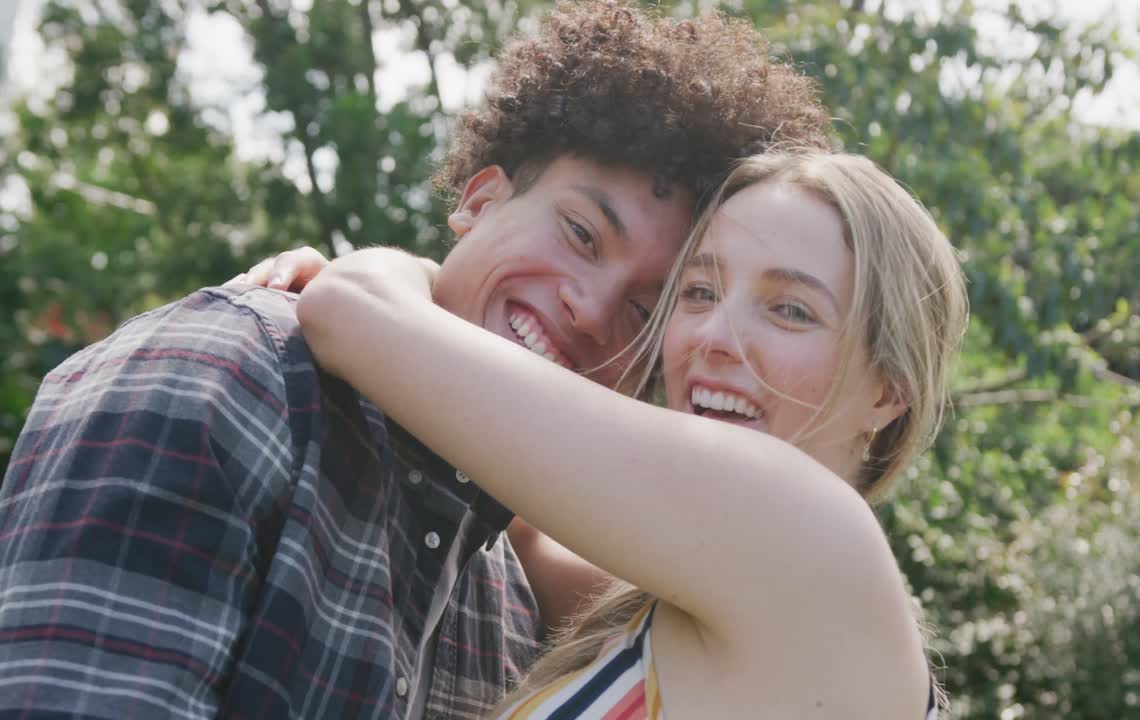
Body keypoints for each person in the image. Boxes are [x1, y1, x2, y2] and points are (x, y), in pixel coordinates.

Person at [0, 3, 829, 718]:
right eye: (581, 233)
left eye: (645, 310)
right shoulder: (233, 383)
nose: (591, 307)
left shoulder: (507, 596)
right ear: (478, 199)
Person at [262, 149, 968, 718]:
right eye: (699, 292)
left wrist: (411, 279)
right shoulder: (679, 598)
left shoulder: (814, 543)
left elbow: (350, 309)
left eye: (790, 309)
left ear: (889, 392)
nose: (715, 336)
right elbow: (519, 531)